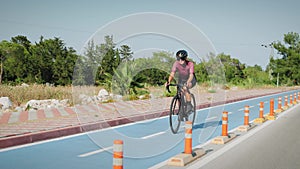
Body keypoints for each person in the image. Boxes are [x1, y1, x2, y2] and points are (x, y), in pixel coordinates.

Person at [165, 49, 196, 115]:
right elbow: (172, 74)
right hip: (181, 79)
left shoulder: (190, 64)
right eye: (179, 59)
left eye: (182, 59)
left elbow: (191, 75)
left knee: (185, 88)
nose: (180, 61)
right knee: (179, 93)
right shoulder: (176, 64)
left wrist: (187, 82)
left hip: (191, 79)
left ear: (185, 58)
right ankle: (181, 109)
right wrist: (168, 81)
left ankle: (189, 105)